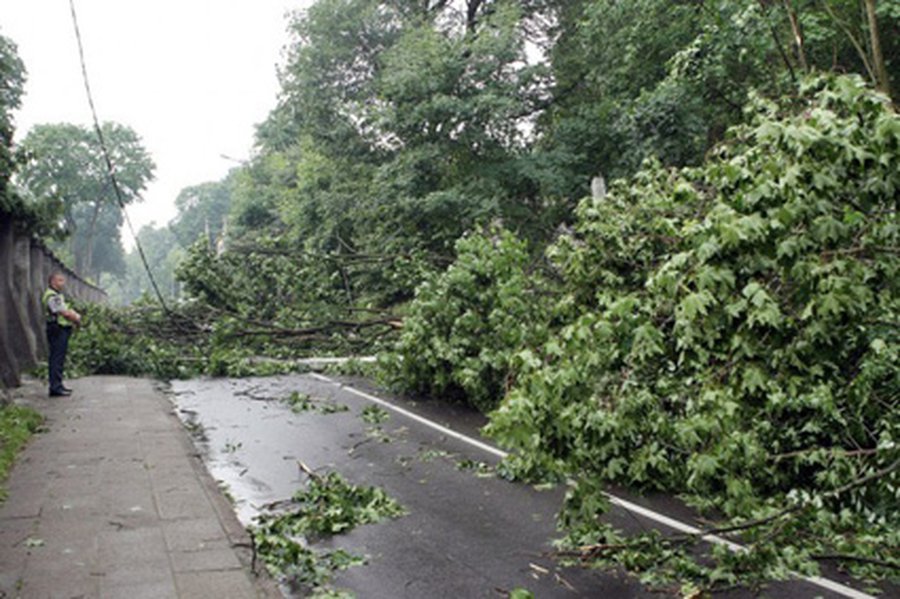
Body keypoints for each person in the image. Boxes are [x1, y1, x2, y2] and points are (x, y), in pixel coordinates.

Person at [42, 272, 81, 397]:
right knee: (56, 358)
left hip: (60, 328)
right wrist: (76, 317)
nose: (63, 283)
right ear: (52, 281)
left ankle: (58, 385)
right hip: (57, 329)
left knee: (59, 358)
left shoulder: (57, 295)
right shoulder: (52, 295)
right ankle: (55, 387)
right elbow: (63, 312)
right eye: (60, 280)